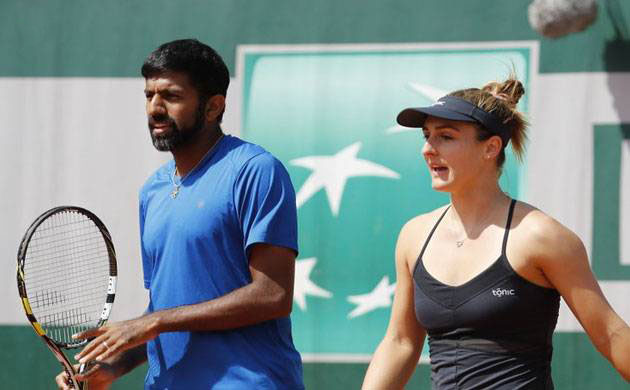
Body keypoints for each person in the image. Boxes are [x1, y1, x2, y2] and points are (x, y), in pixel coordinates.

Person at [55, 39, 304, 390]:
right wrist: (112, 366)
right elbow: (166, 307)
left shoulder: (255, 170)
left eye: (171, 96)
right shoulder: (153, 190)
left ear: (213, 107)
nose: (155, 108)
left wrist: (154, 322)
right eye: (148, 95)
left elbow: (272, 295)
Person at [362, 77, 630, 389]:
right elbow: (401, 342)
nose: (428, 150)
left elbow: (611, 335)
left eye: (445, 137)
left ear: (491, 148)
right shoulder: (414, 236)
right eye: (426, 136)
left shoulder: (540, 236)